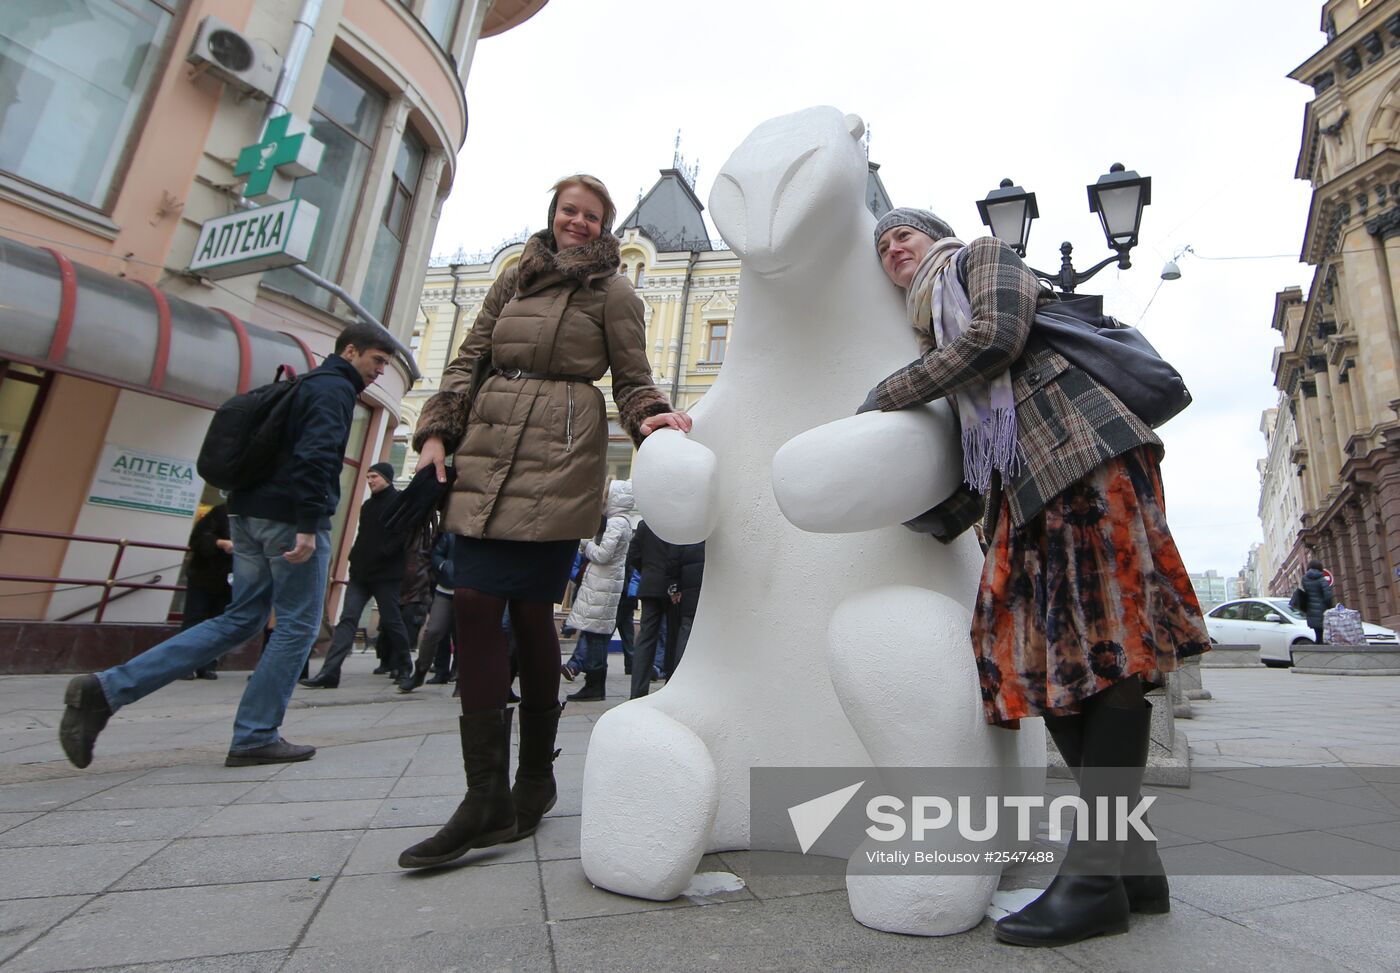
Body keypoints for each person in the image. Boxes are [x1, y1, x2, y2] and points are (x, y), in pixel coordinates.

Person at [865, 209, 1209, 947]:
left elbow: (999, 339)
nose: (894, 246)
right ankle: (1132, 863)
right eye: (883, 243)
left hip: (1084, 453)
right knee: (1039, 662)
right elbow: (977, 446)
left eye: (906, 234)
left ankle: (1093, 880)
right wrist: (910, 515)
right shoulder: (936, 334)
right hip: (1023, 496)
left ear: (936, 236)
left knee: (1109, 650)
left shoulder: (981, 260)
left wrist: (889, 392)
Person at [400, 174, 691, 869]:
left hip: (560, 453)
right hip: (487, 444)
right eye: (570, 210)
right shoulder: (513, 281)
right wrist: (436, 431)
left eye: (592, 215)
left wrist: (650, 417)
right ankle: (499, 790)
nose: (578, 222)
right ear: (553, 214)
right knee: (483, 603)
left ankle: (521, 784)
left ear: (604, 226)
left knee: (524, 612)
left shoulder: (614, 291)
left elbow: (631, 374)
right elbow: (467, 357)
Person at [59, 323, 395, 768]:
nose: (379, 372)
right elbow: (316, 457)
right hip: (286, 520)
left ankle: (104, 690)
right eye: (377, 361)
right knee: (297, 626)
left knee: (240, 619)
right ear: (350, 351)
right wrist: (310, 523)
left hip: (246, 513)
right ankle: (256, 735)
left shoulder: (302, 385)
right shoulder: (334, 389)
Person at [300, 463, 410, 688]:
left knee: (391, 621)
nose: (370, 481)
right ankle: (330, 672)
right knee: (347, 620)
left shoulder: (399, 502)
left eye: (375, 477)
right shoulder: (368, 506)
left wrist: (384, 553)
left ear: (387, 478)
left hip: (387, 574)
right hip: (361, 573)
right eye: (368, 477)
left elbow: (404, 537)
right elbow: (363, 535)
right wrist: (354, 558)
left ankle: (405, 667)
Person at [560, 480, 635, 702]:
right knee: (596, 634)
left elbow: (602, 555)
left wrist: (585, 544)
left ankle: (593, 685)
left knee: (595, 636)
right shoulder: (623, 522)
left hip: (602, 585)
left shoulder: (616, 523)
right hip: (605, 585)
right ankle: (594, 684)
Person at [627, 518, 680, 699]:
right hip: (673, 587)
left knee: (645, 638)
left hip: (650, 585)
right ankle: (669, 688)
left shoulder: (645, 524)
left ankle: (638, 692)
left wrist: (648, 570)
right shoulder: (678, 523)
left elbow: (633, 554)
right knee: (673, 637)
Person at [178, 503, 232, 680]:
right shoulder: (221, 512)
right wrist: (220, 543)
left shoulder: (255, 518)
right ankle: (184, 664)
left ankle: (207, 664)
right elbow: (198, 539)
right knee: (195, 618)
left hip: (229, 579)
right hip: (205, 575)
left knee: (217, 622)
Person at [666, 540, 705, 678]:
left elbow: (672, 563)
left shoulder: (686, 536)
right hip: (710, 593)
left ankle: (679, 676)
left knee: (685, 635)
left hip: (689, 594)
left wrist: (675, 588)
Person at [1291, 558, 1334, 643]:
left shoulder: (1304, 579)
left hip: (1310, 610)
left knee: (1318, 634)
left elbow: (1304, 593)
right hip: (1322, 610)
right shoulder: (1322, 579)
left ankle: (1317, 652)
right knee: (1324, 636)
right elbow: (1328, 596)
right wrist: (1330, 607)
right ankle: (1322, 653)